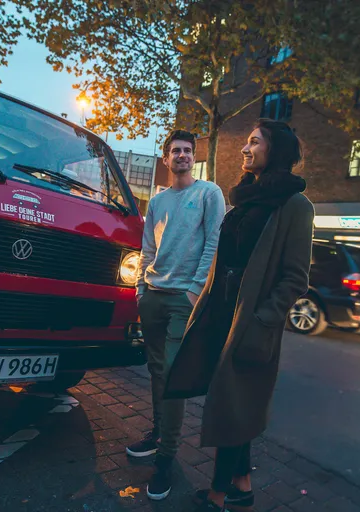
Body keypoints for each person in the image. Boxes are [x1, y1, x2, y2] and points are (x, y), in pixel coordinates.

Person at [163, 119, 314, 511]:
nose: (245, 149)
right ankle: (242, 486)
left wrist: (264, 319)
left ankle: (217, 496)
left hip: (250, 319)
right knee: (235, 401)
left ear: (274, 150)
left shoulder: (295, 205)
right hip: (221, 312)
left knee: (232, 404)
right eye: (247, 142)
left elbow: (295, 277)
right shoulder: (244, 198)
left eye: (253, 142)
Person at [130, 129, 226, 501]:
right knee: (156, 371)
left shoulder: (208, 193)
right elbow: (147, 247)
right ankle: (157, 434)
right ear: (165, 159)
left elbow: (214, 242)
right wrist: (141, 290)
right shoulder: (158, 200)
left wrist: (193, 290)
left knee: (171, 376)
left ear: (193, 157)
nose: (182, 155)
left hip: (183, 300)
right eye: (175, 151)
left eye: (187, 150)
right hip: (153, 296)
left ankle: (166, 460)